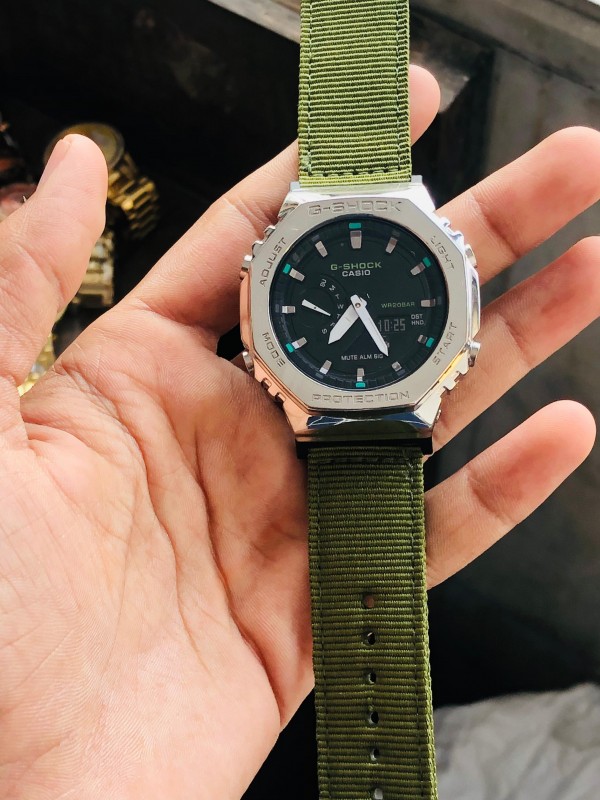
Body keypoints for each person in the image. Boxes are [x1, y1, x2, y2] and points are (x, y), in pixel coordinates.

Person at [0, 66, 599, 798]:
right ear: (257, 303)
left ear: (459, 297)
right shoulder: (327, 308)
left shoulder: (343, 285)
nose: (356, 305)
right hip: (327, 406)